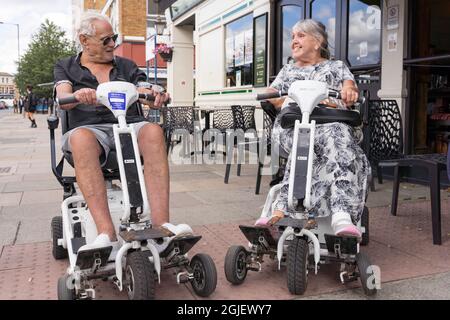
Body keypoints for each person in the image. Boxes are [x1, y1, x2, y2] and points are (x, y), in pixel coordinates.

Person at [53, 12, 190, 253]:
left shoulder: (125, 65)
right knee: (80, 139)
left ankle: (162, 225)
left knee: (153, 131)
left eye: (113, 38)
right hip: (89, 129)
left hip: (129, 124)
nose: (112, 44)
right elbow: (63, 98)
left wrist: (155, 95)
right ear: (84, 40)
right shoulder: (66, 67)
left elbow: (145, 89)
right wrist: (77, 95)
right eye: (106, 40)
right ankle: (106, 233)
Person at [256, 19, 371, 240]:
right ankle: (284, 209)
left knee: (333, 137)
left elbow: (349, 86)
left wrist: (348, 92)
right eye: (292, 37)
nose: (294, 42)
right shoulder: (288, 69)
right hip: (296, 125)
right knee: (304, 136)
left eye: (300, 36)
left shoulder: (336, 67)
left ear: (317, 42)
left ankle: (340, 213)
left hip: (331, 123)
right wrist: (274, 96)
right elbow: (272, 92)